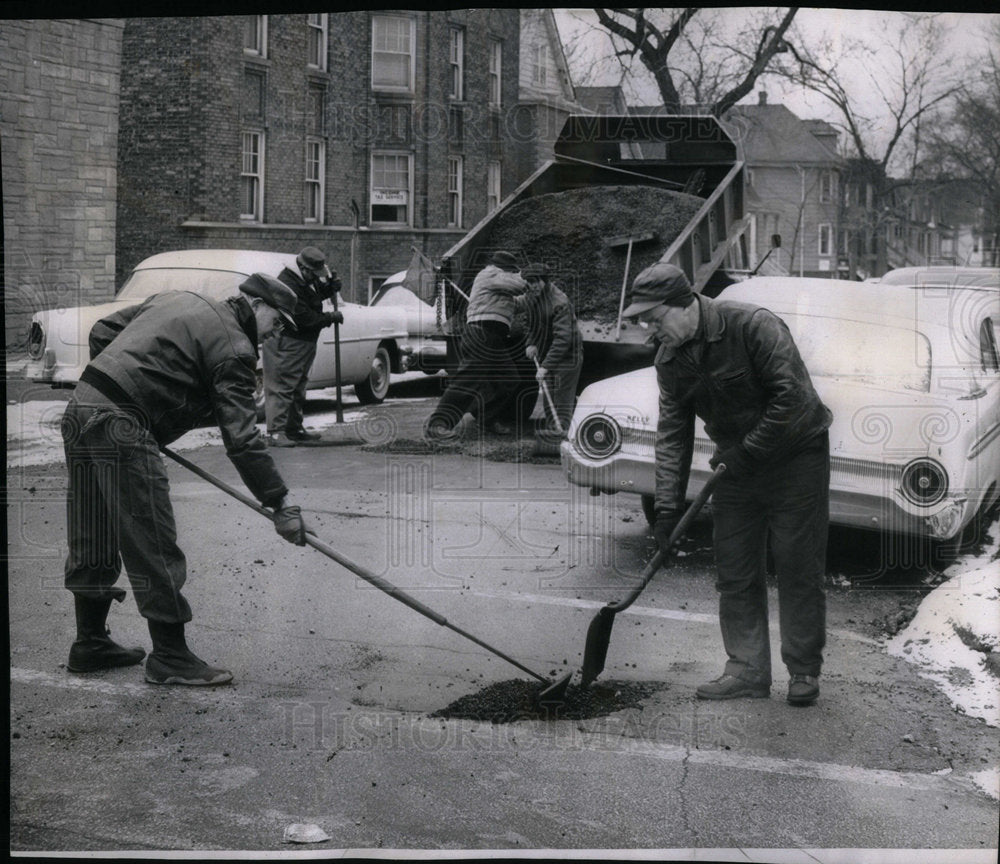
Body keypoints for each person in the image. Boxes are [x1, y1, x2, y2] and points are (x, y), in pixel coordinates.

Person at [61, 272, 313, 687]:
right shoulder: (235, 348)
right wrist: (279, 501)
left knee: (94, 529)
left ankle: (89, 642)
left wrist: (123, 389)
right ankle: (170, 656)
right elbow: (243, 439)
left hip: (82, 405)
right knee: (152, 538)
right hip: (121, 424)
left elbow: (104, 330)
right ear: (257, 306)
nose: (276, 335)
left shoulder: (179, 298)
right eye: (279, 323)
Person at [622, 262, 832, 706]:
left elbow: (792, 400)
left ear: (684, 305)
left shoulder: (752, 326)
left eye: (656, 320)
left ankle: (803, 670)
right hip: (736, 467)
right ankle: (747, 670)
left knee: (797, 565)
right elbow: (672, 435)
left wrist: (748, 451)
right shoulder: (670, 359)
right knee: (735, 569)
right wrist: (665, 509)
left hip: (797, 456)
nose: (652, 332)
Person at [424, 250, 527, 439]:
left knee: (510, 379)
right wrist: (530, 277)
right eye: (512, 271)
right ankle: (438, 424)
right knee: (467, 381)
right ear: (504, 269)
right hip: (480, 333)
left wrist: (538, 293)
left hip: (495, 337)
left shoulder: (501, 289)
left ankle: (486, 418)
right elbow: (518, 285)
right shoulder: (489, 274)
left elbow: (518, 302)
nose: (513, 274)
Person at [264, 246, 344, 447]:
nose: (316, 278)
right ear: (304, 268)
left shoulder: (304, 277)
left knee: (297, 386)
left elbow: (312, 298)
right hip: (288, 342)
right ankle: (275, 432)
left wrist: (328, 290)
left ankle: (294, 429)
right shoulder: (287, 283)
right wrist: (329, 317)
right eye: (314, 274)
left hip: (301, 343)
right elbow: (303, 317)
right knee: (283, 386)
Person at [518, 263, 583, 452]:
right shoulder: (532, 297)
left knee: (562, 398)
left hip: (568, 356)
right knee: (549, 399)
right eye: (529, 282)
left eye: (536, 282)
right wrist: (530, 342)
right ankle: (552, 437)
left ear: (545, 281)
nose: (532, 286)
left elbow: (563, 340)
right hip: (548, 353)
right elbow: (528, 322)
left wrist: (545, 366)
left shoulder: (559, 302)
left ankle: (565, 444)